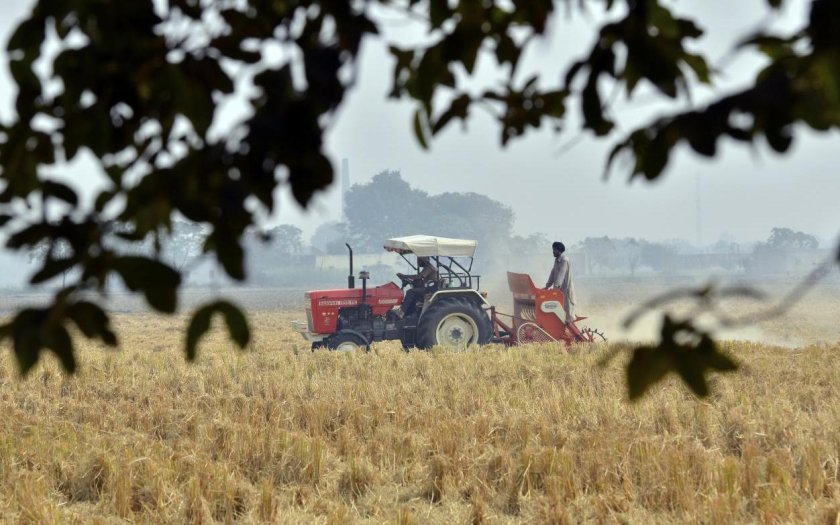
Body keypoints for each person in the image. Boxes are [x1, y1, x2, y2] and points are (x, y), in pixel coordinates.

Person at [545, 241, 576, 323]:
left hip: (566, 288)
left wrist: (556, 287)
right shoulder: (556, 260)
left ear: (559, 250)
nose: (553, 252)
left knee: (567, 309)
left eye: (554, 250)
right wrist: (547, 286)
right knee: (560, 308)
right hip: (559, 289)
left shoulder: (564, 260)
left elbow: (561, 274)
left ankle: (571, 328)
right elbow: (553, 273)